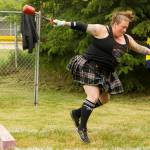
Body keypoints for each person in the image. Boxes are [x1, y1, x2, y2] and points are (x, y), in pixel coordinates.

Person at [51, 10, 150, 143]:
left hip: (106, 72)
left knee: (104, 99)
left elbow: (140, 49)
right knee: (93, 97)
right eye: (123, 27)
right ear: (115, 24)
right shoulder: (101, 30)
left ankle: (77, 113)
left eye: (127, 27)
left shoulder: (127, 39)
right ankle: (82, 128)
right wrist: (62, 23)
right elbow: (81, 25)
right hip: (89, 65)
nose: (125, 29)